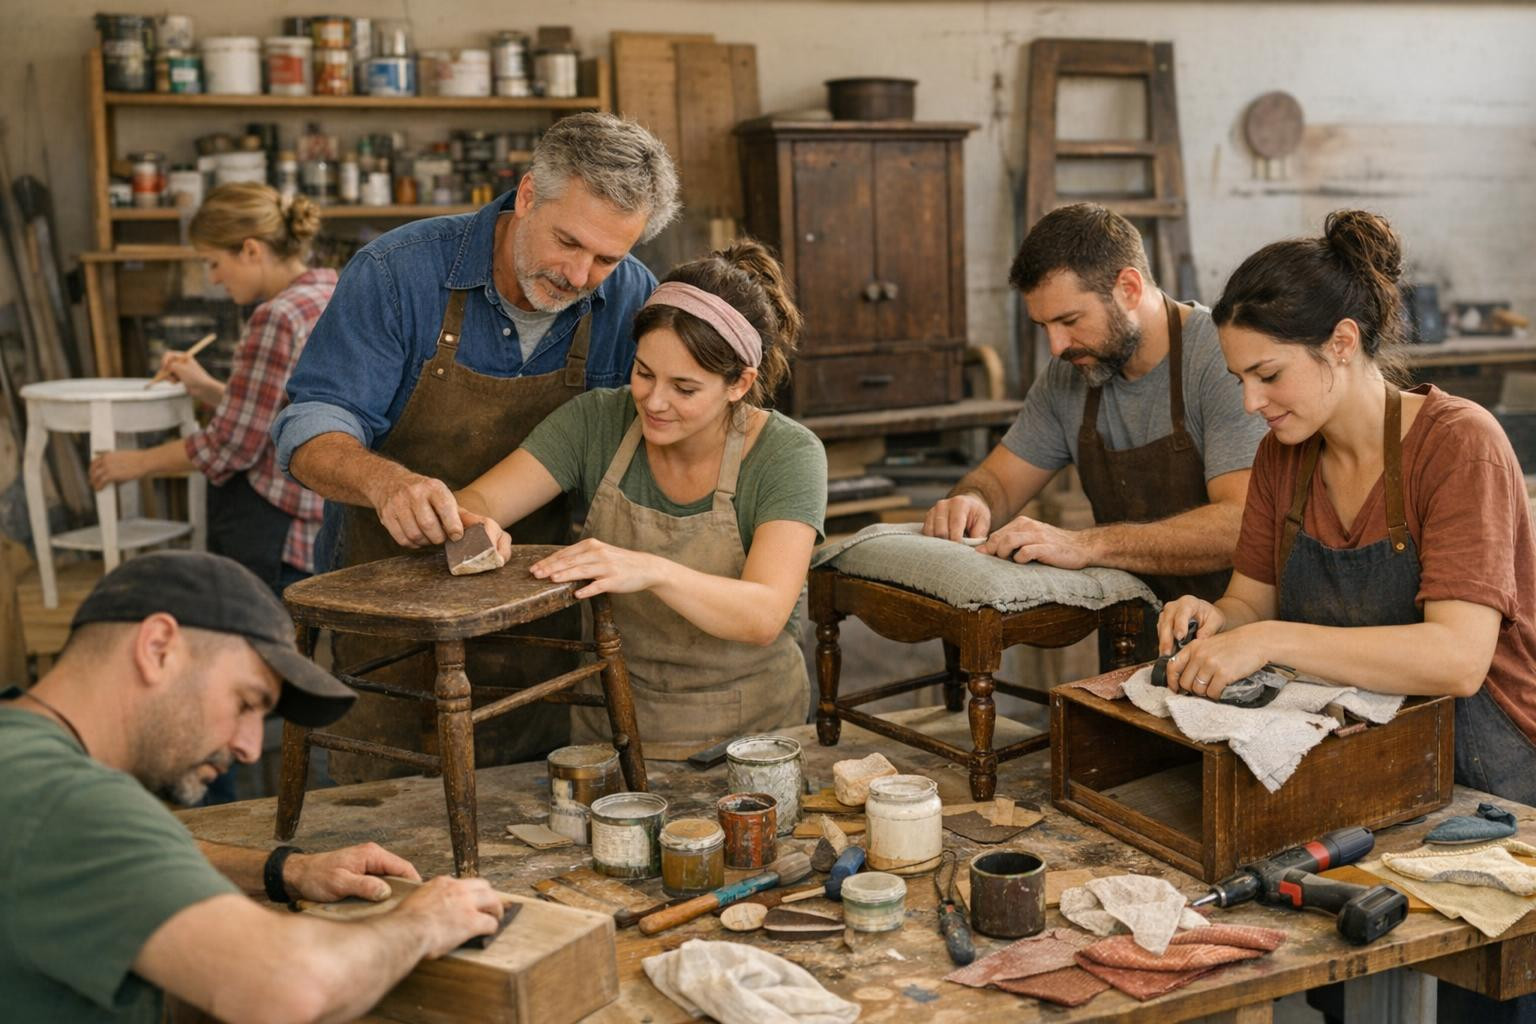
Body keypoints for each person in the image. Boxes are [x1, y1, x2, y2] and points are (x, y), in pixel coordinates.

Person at [271, 113, 679, 774]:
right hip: (389, 608)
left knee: (529, 812)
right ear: (525, 197)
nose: (580, 275)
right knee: (379, 818)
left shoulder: (632, 297)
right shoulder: (398, 274)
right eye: (568, 243)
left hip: (537, 617)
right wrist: (384, 482)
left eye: (606, 257)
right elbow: (310, 426)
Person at [0, 551, 507, 1023]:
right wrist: (420, 924)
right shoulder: (61, 799)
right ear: (157, 649)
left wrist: (286, 870)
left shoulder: (23, 761)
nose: (247, 747)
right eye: (246, 702)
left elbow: (124, 854)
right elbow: (288, 985)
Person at [1157, 210, 1536, 810]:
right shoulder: (1281, 458)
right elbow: (1250, 602)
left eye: (1268, 374)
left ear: (1342, 342)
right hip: (1364, 756)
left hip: (1491, 778)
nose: (1252, 401)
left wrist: (1268, 641)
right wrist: (1213, 619)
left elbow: (1458, 660)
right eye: (1240, 381)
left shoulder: (1460, 445)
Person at [443, 241, 827, 746]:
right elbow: (477, 502)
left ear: (739, 383)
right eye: (644, 373)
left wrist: (649, 569)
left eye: (685, 389)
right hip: (610, 720)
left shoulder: (787, 455)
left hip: (748, 734)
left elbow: (763, 615)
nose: (655, 401)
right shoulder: (599, 420)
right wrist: (477, 527)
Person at [924, 203, 1267, 658]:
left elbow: (1240, 525)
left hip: (1230, 637)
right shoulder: (1069, 374)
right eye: (1043, 326)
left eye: (1069, 321)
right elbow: (998, 482)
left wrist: (1085, 543)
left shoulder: (1220, 359)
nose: (1057, 346)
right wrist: (972, 500)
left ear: (1128, 287)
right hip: (1130, 637)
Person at [89, 183, 331, 600]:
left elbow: (229, 444)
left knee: (255, 652)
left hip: (276, 526)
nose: (214, 279)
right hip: (323, 518)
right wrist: (206, 387)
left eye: (213, 262)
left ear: (252, 250)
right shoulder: (329, 292)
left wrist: (135, 463)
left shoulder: (276, 316)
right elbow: (278, 412)